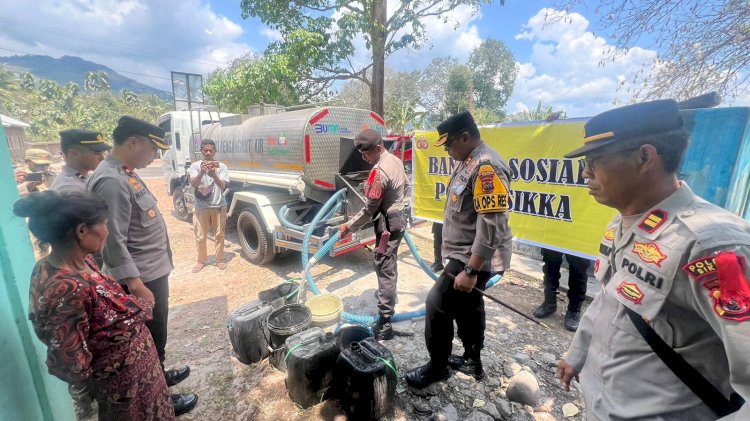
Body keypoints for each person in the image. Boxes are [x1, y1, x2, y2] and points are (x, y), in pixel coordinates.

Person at [556, 100, 749, 419]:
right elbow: (609, 302)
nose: (586, 174)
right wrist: (577, 354)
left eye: (595, 161)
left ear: (645, 157)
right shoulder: (621, 225)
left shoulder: (711, 246)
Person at [14, 190, 175, 420]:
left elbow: (104, 311)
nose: (108, 231)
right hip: (120, 395)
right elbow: (70, 362)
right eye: (105, 224)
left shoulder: (81, 262)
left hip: (139, 381)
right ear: (82, 231)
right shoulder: (65, 290)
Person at [87, 116, 197, 416]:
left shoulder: (125, 172)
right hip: (140, 278)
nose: (156, 156)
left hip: (150, 271)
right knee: (149, 335)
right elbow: (111, 240)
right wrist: (135, 284)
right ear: (132, 142)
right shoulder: (111, 180)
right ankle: (158, 397)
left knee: (155, 334)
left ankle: (159, 377)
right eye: (152, 148)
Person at [406, 111, 512, 388]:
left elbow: (492, 224)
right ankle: (472, 359)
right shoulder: (470, 159)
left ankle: (437, 367)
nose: (447, 151)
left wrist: (471, 269)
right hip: (466, 253)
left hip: (473, 256)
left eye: (449, 144)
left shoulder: (486, 166)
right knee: (468, 306)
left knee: (437, 304)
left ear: (465, 137)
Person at [339, 128, 410, 341]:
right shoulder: (395, 160)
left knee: (384, 266)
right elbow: (406, 185)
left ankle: (385, 322)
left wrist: (348, 227)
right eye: (361, 153)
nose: (363, 157)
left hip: (388, 226)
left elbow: (369, 209)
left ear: (379, 147)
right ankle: (389, 297)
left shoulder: (379, 172)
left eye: (367, 153)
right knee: (388, 263)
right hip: (398, 220)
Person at [188, 138, 230, 272]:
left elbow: (223, 186)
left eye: (210, 150)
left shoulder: (222, 167)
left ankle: (219, 259)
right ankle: (201, 261)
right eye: (205, 150)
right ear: (201, 151)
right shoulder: (195, 166)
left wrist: (214, 175)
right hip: (201, 205)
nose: (208, 152)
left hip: (218, 205)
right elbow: (194, 184)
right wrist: (201, 172)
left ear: (215, 152)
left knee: (219, 234)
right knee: (200, 236)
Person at [532, 248, 591, 331]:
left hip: (581, 237)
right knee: (550, 263)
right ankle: (549, 302)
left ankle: (574, 310)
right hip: (556, 236)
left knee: (579, 268)